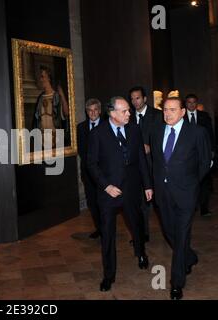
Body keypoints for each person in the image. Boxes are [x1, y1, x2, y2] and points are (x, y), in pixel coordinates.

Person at [87, 96, 153, 292]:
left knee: (137, 225)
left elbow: (141, 159)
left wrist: (147, 185)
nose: (129, 113)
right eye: (124, 111)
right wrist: (106, 186)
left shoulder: (134, 129)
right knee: (107, 234)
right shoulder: (98, 133)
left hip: (132, 190)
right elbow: (91, 164)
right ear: (112, 113)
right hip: (108, 193)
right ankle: (109, 274)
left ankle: (141, 253)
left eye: (128, 110)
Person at [150, 97, 211, 300]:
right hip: (163, 193)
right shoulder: (157, 131)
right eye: (165, 109)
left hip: (186, 194)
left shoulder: (197, 132)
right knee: (169, 232)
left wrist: (192, 183)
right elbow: (155, 162)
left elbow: (204, 162)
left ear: (183, 112)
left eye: (173, 110)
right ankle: (190, 257)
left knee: (182, 234)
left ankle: (177, 282)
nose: (168, 113)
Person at [129, 86, 163, 242]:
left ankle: (169, 230)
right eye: (132, 98)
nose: (135, 101)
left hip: (154, 165)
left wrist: (151, 147)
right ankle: (143, 234)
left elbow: (164, 139)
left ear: (144, 99)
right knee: (139, 202)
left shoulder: (157, 115)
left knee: (159, 203)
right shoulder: (128, 117)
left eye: (137, 98)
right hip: (136, 167)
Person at [184, 94, 215, 217]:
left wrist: (212, 150)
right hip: (188, 155)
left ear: (197, 103)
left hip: (203, 153)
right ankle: (192, 206)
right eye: (189, 102)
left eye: (193, 102)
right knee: (190, 181)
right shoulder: (181, 117)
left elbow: (210, 134)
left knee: (204, 180)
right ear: (185, 103)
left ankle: (204, 208)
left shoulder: (204, 116)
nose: (191, 104)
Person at [76, 98, 102, 239]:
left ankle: (106, 228)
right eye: (90, 110)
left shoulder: (106, 125)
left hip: (103, 173)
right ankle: (99, 228)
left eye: (95, 110)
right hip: (87, 172)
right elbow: (81, 150)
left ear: (99, 111)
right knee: (92, 202)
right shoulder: (81, 128)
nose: (93, 113)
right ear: (87, 112)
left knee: (103, 202)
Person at [32, 65, 69, 148]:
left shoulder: (56, 96)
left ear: (49, 78)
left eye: (43, 77)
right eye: (40, 77)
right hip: (42, 140)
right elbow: (36, 120)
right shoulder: (40, 98)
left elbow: (66, 113)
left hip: (56, 139)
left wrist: (62, 95)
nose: (41, 80)